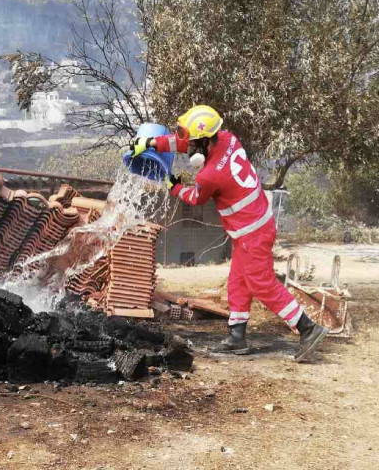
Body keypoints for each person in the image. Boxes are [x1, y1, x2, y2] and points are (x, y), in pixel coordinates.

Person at [130, 105, 327, 362]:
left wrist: (173, 186)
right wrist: (150, 142)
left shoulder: (211, 175)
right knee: (238, 281)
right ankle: (237, 337)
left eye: (193, 144)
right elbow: (181, 142)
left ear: (203, 143)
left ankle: (308, 329)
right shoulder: (227, 138)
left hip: (252, 233)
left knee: (262, 283)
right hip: (253, 227)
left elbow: (196, 198)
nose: (188, 147)